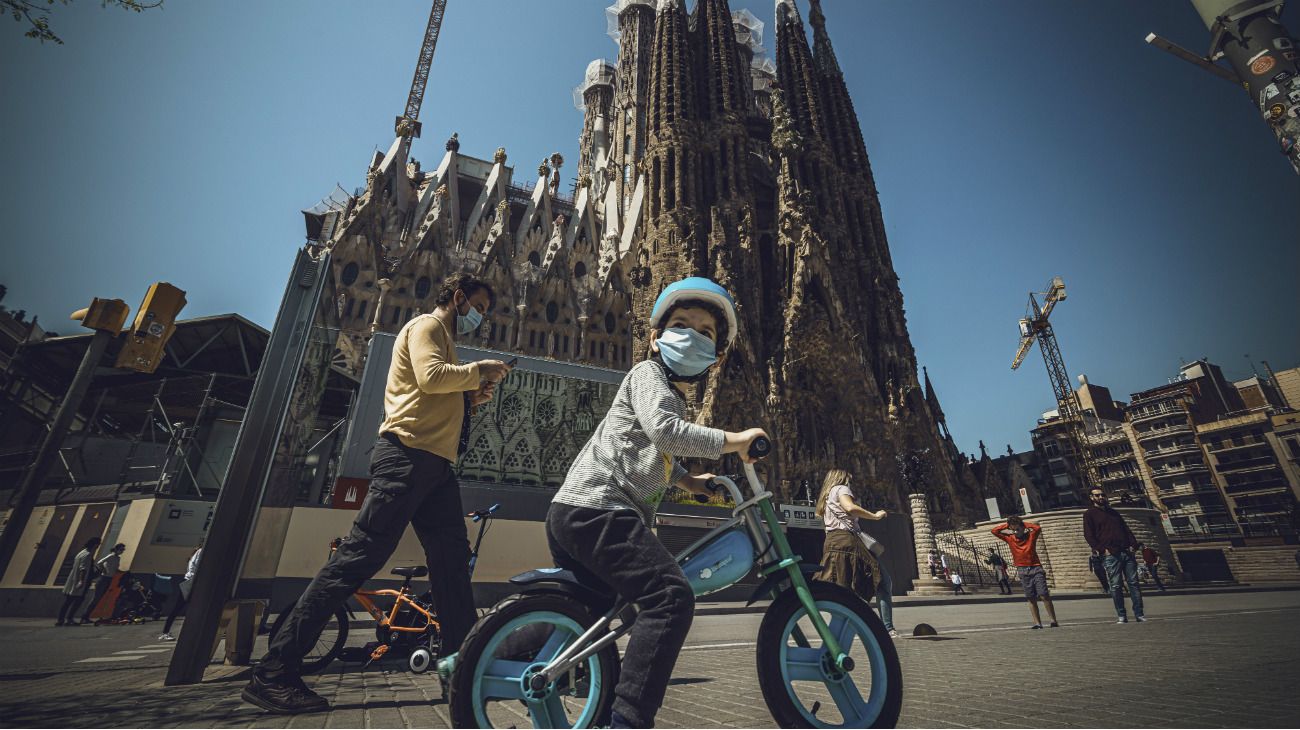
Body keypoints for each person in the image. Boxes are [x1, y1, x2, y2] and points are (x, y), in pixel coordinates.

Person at [242, 273, 512, 715]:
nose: (480, 317)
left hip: (434, 468)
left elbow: (433, 394)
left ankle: (465, 667)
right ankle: (274, 672)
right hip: (406, 459)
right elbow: (429, 378)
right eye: (478, 305)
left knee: (452, 566)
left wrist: (471, 396)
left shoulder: (446, 341)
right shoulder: (426, 327)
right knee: (356, 559)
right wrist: (477, 371)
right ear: (458, 297)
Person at [544, 277, 768, 729]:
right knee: (669, 597)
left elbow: (648, 457)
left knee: (586, 617)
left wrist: (690, 482)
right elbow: (665, 434)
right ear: (654, 337)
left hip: (581, 511)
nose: (691, 335)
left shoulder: (668, 395)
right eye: (682, 324)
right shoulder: (647, 375)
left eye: (705, 332)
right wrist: (733, 440)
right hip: (599, 509)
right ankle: (628, 720)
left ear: (716, 355)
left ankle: (485, 654)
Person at [813, 469, 898, 639]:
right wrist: (875, 516)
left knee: (845, 586)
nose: (850, 483)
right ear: (842, 479)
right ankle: (886, 628)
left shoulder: (826, 497)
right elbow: (850, 507)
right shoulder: (841, 489)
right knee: (882, 581)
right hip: (849, 540)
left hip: (832, 542)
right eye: (849, 480)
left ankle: (842, 630)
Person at [1083, 488, 1145, 623]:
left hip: (1126, 552)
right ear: (1091, 497)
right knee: (1116, 585)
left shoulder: (1114, 513)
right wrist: (1101, 549)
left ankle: (1139, 614)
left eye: (1102, 494)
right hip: (1110, 554)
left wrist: (1133, 545)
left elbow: (1126, 529)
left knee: (1134, 583)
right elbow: (1089, 535)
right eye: (1097, 495)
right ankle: (1122, 615)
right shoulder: (1089, 514)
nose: (1101, 497)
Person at [991, 515, 1058, 629]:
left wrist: (1022, 523)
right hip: (1022, 569)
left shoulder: (1031, 536)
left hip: (1035, 567)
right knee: (1030, 597)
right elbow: (994, 531)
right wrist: (1008, 525)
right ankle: (1037, 623)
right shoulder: (1010, 538)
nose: (1016, 532)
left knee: (1043, 595)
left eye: (1018, 529)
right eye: (1013, 530)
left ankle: (1053, 620)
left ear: (1023, 528)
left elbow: (1037, 528)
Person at [158, 541, 203, 640]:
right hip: (191, 583)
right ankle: (165, 632)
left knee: (180, 608)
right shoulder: (201, 552)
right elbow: (197, 568)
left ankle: (166, 632)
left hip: (189, 582)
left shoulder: (197, 553)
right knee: (181, 608)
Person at [56, 537, 100, 627]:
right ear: (95, 545)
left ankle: (61, 620)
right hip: (82, 582)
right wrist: (81, 581)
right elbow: (83, 569)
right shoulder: (87, 555)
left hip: (74, 581)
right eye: (98, 544)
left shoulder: (81, 553)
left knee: (68, 601)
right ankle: (69, 619)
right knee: (77, 601)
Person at [80, 542, 125, 624]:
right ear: (117, 549)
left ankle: (88, 616)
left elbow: (115, 569)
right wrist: (103, 570)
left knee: (100, 598)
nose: (122, 551)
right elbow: (99, 562)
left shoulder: (117, 558)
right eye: (121, 549)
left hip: (110, 578)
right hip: (104, 578)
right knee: (96, 598)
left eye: (123, 550)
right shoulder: (111, 556)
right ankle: (84, 616)